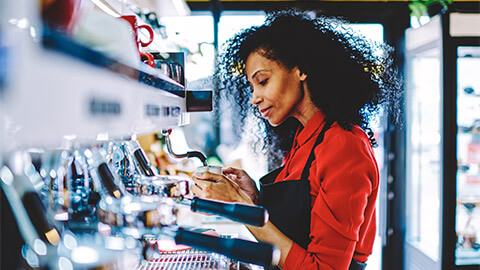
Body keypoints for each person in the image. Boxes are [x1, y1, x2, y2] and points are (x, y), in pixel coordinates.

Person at [191, 10, 401, 270]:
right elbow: (300, 225)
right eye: (252, 87)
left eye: (263, 81)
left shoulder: (344, 145)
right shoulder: (306, 136)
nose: (255, 97)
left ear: (301, 69)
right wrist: (253, 199)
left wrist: (241, 205)